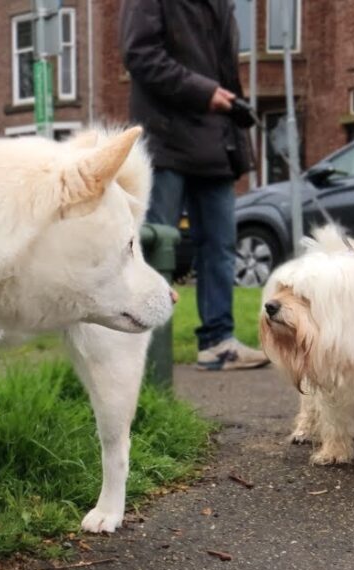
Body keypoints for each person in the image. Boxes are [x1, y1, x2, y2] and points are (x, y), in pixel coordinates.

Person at [120, 0, 270, 371]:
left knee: (221, 247)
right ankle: (144, 354)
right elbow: (140, 55)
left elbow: (221, 69)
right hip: (166, 142)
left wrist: (232, 111)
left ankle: (218, 343)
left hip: (217, 144)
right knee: (154, 244)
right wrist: (205, 92)